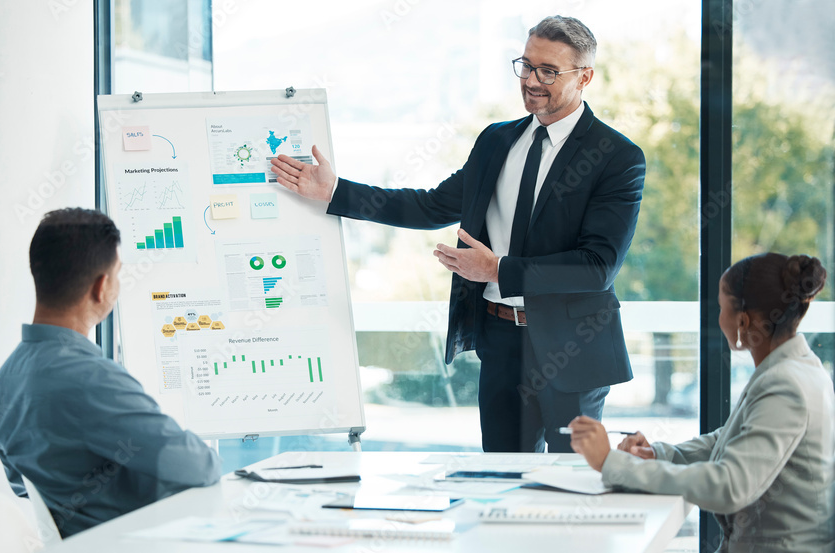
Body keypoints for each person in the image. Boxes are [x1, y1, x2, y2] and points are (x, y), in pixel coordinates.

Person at [270, 15, 645, 452]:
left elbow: (597, 267)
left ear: (585, 77)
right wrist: (336, 191)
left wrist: (498, 270)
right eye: (526, 65)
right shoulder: (497, 142)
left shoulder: (616, 157)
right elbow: (431, 205)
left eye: (548, 71)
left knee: (573, 487)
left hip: (573, 351)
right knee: (502, 482)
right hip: (501, 341)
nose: (531, 80)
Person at [570, 253, 834, 552]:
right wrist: (657, 454)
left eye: (721, 307)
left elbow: (730, 485)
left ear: (743, 321)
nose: (717, 317)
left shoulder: (785, 383)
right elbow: (729, 439)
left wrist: (611, 463)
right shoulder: (796, 367)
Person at [0, 208, 220, 537]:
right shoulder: (91, 379)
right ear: (101, 285)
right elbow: (199, 466)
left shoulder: (2, 385)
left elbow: (23, 487)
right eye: (118, 274)